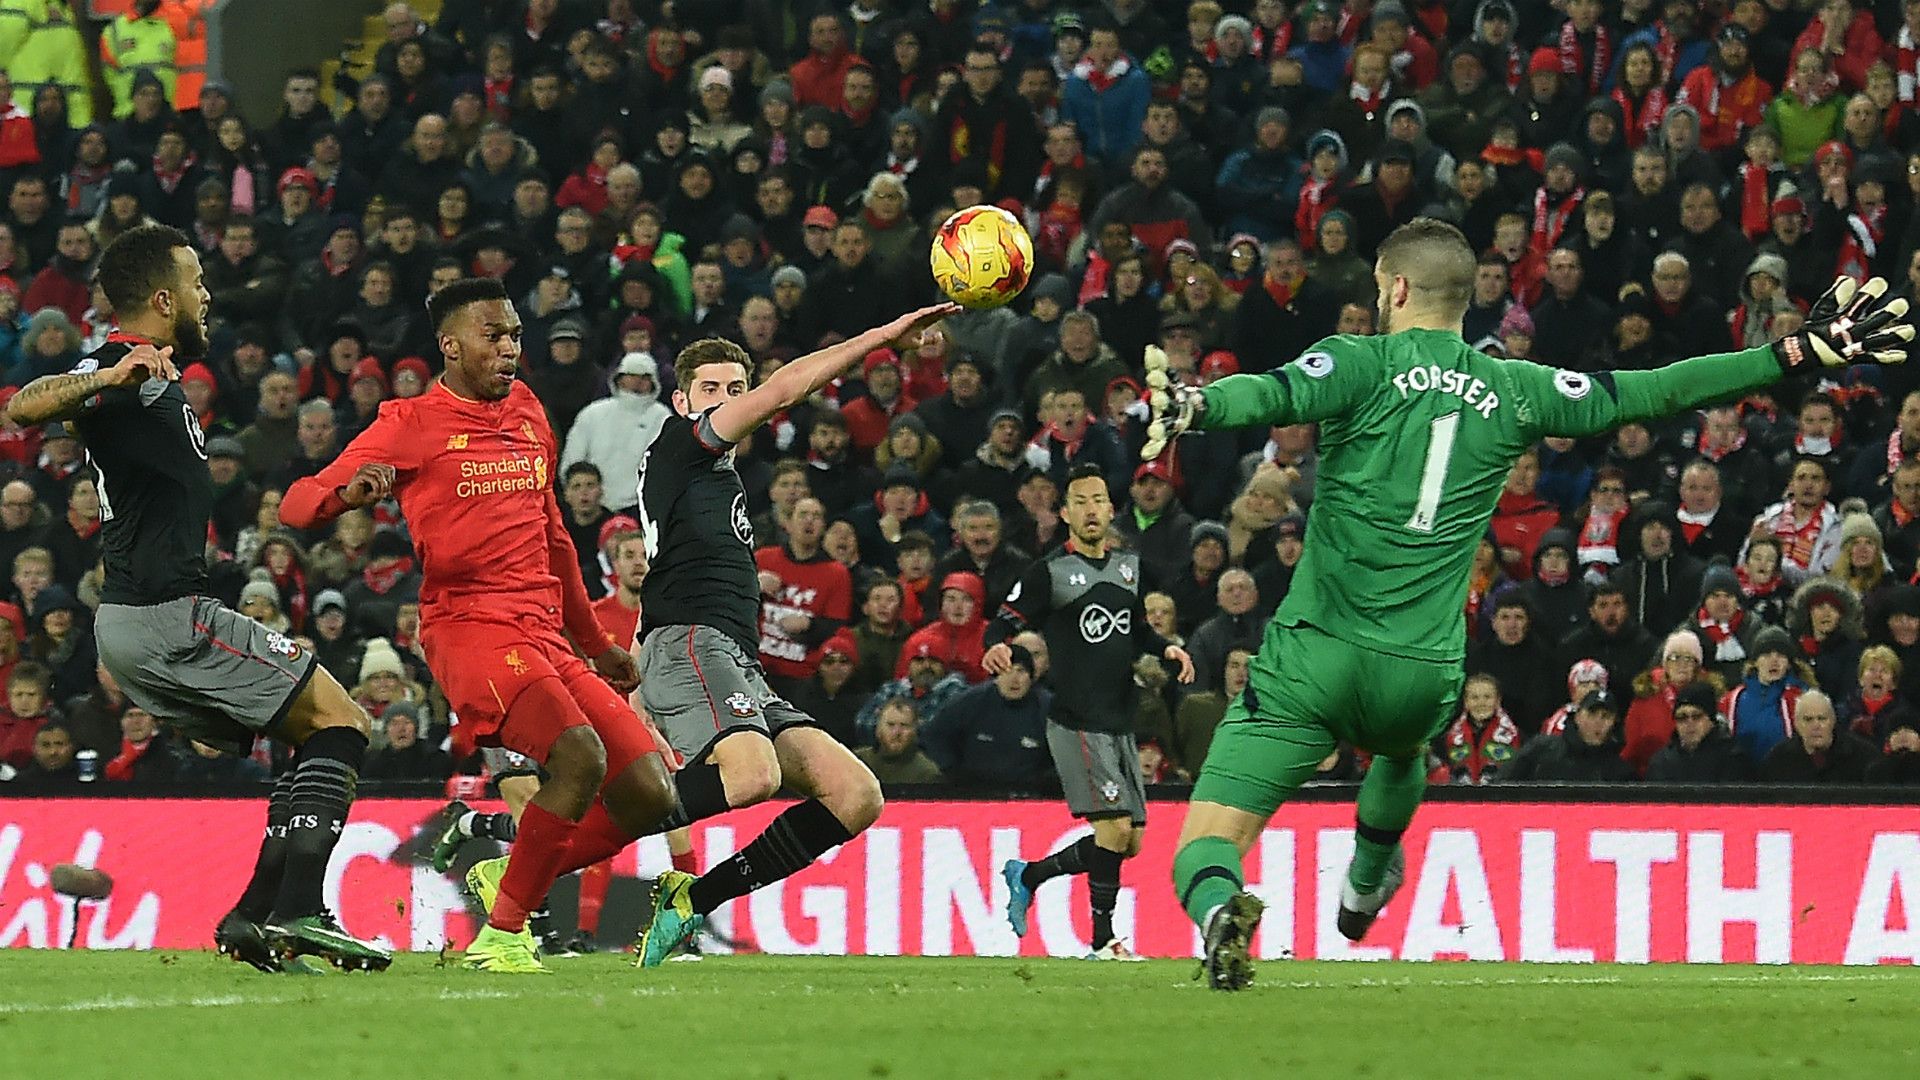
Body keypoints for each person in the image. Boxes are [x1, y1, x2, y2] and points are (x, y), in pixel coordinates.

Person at [1141, 216, 1914, 991]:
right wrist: (1793, 351)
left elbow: (1270, 393)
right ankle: (1367, 879)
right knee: (1402, 750)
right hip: (1419, 671)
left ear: (1397, 288)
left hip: (1315, 655)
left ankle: (1218, 910)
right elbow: (1661, 388)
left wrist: (1193, 407)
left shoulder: (1360, 363)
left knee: (1207, 839)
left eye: (1380, 287)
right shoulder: (1516, 386)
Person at [5, 225, 390, 973]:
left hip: (146, 617)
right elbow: (24, 405)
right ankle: (302, 908)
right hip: (164, 616)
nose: (207, 295)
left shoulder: (156, 377)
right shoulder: (121, 365)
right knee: (346, 722)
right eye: (196, 281)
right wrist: (104, 379)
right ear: (162, 297)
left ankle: (252, 917)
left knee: (313, 737)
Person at [280, 278, 677, 974]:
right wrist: (348, 493)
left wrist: (597, 644)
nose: (509, 348)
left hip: (544, 629)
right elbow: (295, 505)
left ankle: (508, 874)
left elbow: (554, 536)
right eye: (494, 335)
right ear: (451, 345)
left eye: (515, 335)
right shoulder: (409, 422)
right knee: (578, 758)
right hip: (470, 626)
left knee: (649, 793)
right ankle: (503, 935)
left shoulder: (527, 409)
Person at [630, 302, 955, 967]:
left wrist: (635, 678)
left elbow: (663, 573)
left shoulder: (710, 481)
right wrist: (881, 335)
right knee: (751, 773)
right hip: (697, 646)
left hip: (731, 660)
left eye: (733, 389)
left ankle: (691, 901)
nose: (725, 401)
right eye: (711, 390)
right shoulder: (678, 442)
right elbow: (785, 389)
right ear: (681, 400)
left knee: (855, 795)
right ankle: (545, 841)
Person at [989, 462, 1194, 961]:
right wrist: (996, 647)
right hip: (1077, 718)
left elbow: (1136, 629)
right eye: (1079, 501)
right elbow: (1004, 620)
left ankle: (1030, 874)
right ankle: (1103, 941)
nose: (1090, 510)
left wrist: (1165, 647)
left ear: (1109, 507)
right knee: (1115, 830)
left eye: (1098, 499)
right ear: (1064, 513)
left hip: (1119, 716)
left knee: (1133, 841)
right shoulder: (1050, 572)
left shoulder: (1129, 567)